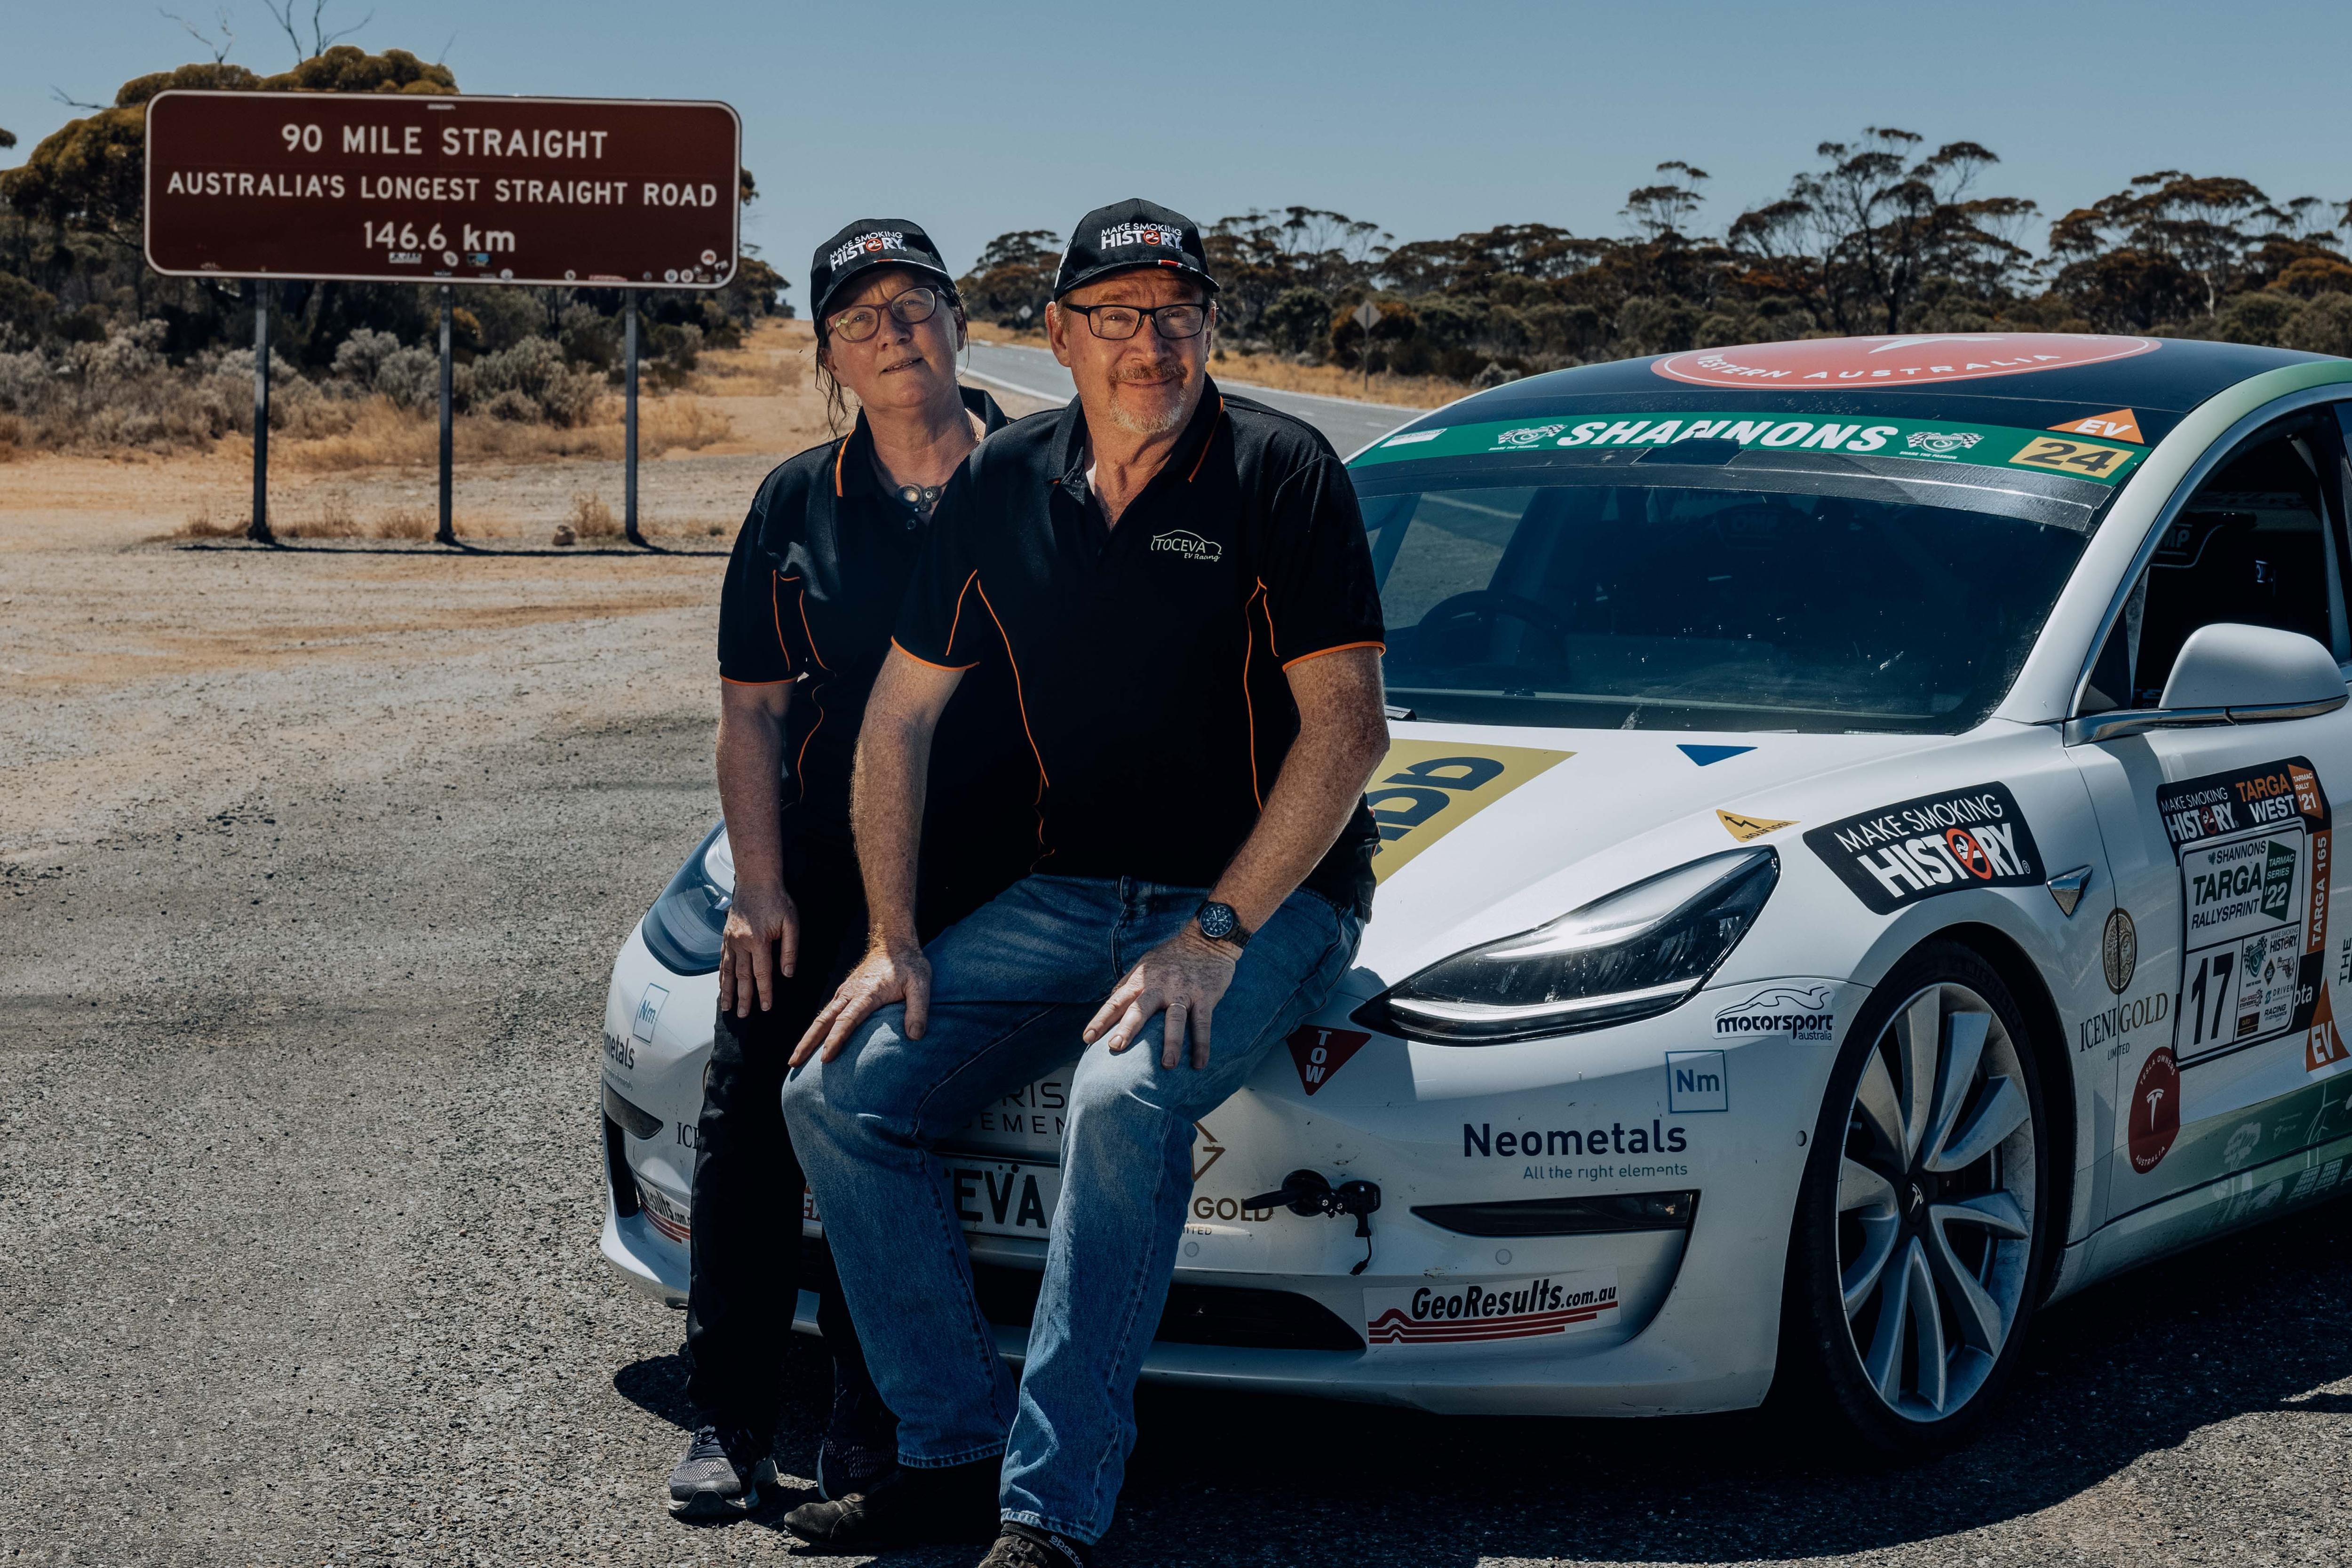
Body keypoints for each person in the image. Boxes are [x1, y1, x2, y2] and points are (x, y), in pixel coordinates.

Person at [779, 199, 1390, 1568]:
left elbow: (1349, 730)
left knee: (1123, 1095)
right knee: (837, 1094)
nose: (1149, 344)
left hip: (1265, 905)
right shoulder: (1008, 483)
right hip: (1071, 898)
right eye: (1114, 317)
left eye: (1176, 314)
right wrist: (889, 936)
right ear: (1057, 336)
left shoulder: (1283, 474)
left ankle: (1051, 1511)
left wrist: (1215, 934)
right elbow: (897, 718)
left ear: (1210, 328)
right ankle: (948, 1446)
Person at [666, 218, 1029, 1517]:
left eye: (916, 304)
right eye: (861, 317)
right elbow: (752, 715)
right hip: (818, 862)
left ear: (961, 323)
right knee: (756, 1108)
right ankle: (730, 1415)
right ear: (829, 354)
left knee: (882, 1115)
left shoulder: (1047, 478)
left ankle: (879, 1419)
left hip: (996, 868)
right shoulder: (792, 504)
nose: (895, 332)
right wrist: (758, 888)